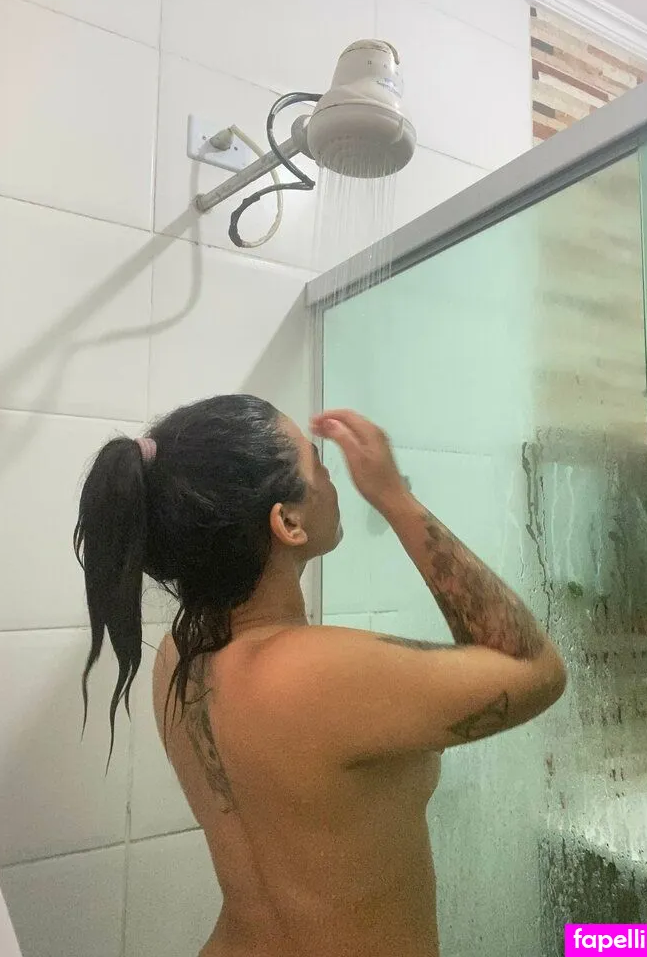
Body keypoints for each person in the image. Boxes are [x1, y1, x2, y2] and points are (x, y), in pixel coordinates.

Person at [75, 395, 567, 957]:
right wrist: (393, 496)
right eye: (317, 462)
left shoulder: (178, 658)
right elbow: (535, 668)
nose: (332, 476)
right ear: (287, 522)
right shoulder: (317, 672)